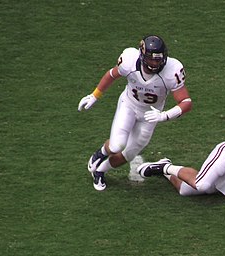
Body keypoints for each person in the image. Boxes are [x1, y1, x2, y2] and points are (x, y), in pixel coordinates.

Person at [78, 35, 192, 191]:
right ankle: (101, 152)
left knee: (129, 154)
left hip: (151, 115)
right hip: (129, 105)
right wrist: (95, 95)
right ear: (142, 55)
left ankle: (100, 170)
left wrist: (164, 116)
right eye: (151, 59)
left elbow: (186, 102)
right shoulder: (130, 60)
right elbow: (112, 74)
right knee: (117, 145)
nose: (155, 63)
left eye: (158, 59)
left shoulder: (172, 70)